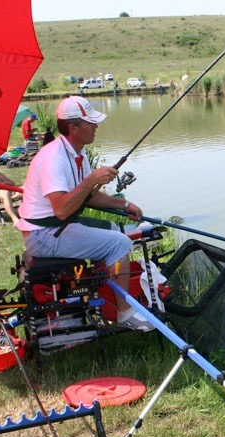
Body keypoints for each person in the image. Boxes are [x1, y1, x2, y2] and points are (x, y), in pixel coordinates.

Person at [15, 96, 151, 331]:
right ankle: (125, 313)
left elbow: (87, 196)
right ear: (73, 128)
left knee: (113, 230)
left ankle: (104, 296)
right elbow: (62, 208)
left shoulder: (76, 152)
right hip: (44, 234)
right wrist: (91, 179)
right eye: (91, 123)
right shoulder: (53, 158)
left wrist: (124, 205)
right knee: (119, 244)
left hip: (56, 228)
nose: (96, 127)